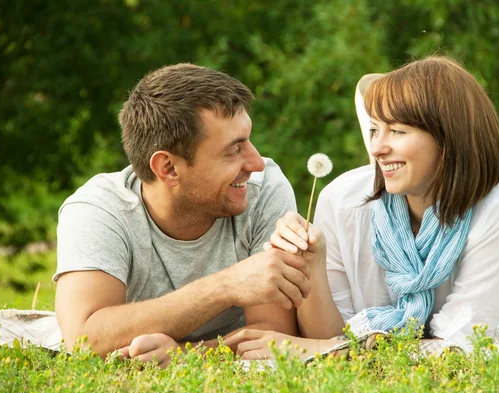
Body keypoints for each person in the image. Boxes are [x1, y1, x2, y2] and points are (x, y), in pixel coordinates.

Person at [224, 56, 499, 359]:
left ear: (451, 137)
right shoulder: (342, 200)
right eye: (374, 130)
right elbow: (326, 336)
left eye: (397, 131)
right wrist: (313, 266)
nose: (377, 148)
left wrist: (324, 351)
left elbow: (455, 351)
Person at [53, 63, 312, 367]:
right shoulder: (98, 210)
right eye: (234, 150)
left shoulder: (264, 189)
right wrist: (226, 285)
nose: (256, 163)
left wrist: (187, 355)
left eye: (249, 140)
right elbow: (84, 339)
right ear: (168, 168)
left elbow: (273, 334)